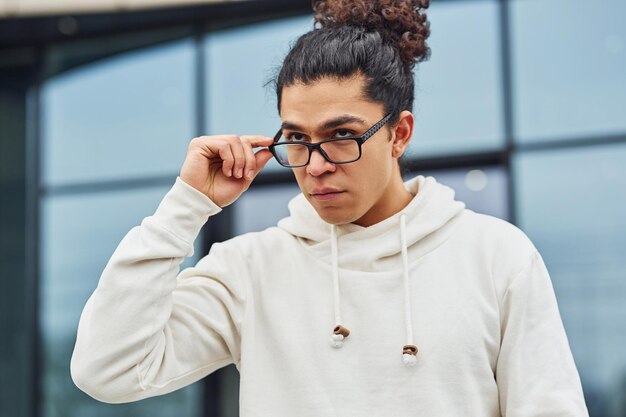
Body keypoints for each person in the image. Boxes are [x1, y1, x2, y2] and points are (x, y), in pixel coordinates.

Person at [70, 1, 589, 415]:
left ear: (399, 133)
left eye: (341, 136)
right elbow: (107, 370)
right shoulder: (250, 270)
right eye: (296, 139)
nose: (314, 165)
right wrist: (185, 207)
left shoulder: (496, 256)